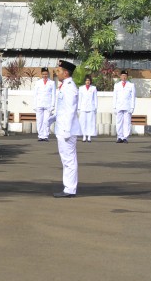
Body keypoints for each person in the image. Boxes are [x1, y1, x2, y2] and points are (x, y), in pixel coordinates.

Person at [49, 60, 81, 198]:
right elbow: (62, 109)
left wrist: (66, 130)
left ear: (66, 73)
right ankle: (68, 187)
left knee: (69, 160)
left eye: (59, 71)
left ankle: (70, 189)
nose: (57, 73)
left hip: (67, 130)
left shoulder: (70, 87)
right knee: (66, 159)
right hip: (62, 128)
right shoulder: (63, 86)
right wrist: (52, 118)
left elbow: (70, 110)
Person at [113, 70, 135, 143]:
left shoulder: (131, 85)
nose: (124, 77)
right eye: (122, 75)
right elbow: (114, 97)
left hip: (127, 106)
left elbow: (133, 97)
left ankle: (125, 137)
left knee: (127, 122)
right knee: (119, 122)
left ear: (127, 77)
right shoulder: (117, 85)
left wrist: (132, 107)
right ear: (120, 76)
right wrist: (114, 107)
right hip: (119, 106)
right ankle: (119, 137)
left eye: (125, 76)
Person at [33, 67, 55, 141]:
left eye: (46, 74)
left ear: (48, 74)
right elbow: (35, 94)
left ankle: (45, 135)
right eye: (43, 74)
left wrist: (52, 105)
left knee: (46, 121)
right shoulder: (38, 82)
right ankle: (40, 135)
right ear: (41, 74)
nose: (45, 75)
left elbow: (53, 95)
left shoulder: (52, 83)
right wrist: (34, 105)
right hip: (39, 104)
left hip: (48, 105)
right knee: (39, 120)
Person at [78, 75, 98, 142]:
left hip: (91, 107)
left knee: (90, 122)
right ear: (85, 81)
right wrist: (78, 108)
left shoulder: (93, 88)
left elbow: (95, 99)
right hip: (83, 107)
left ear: (90, 81)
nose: (87, 82)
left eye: (89, 80)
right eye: (86, 80)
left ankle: (89, 136)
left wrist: (95, 107)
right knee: (83, 122)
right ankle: (84, 135)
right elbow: (79, 99)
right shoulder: (81, 88)